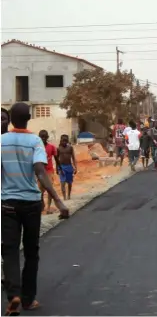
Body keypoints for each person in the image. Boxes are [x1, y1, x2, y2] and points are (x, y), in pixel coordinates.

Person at [2, 102, 69, 316]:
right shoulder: (35, 142)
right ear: (29, 117)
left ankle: (13, 295)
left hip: (7, 204)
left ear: (10, 118)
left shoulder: (1, 141)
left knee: (10, 251)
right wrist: (58, 201)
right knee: (31, 252)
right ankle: (28, 300)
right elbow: (40, 171)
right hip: (31, 203)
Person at [38, 130, 62, 214]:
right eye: (41, 137)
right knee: (39, 191)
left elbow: (56, 158)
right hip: (40, 171)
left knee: (49, 189)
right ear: (39, 137)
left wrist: (60, 168)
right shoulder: (37, 147)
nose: (43, 138)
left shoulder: (51, 147)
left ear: (47, 137)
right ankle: (42, 205)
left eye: (45, 136)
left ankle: (48, 207)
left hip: (49, 171)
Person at [57, 135, 77, 201]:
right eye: (63, 140)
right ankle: (64, 197)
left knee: (69, 182)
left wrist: (75, 167)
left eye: (66, 141)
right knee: (62, 183)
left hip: (69, 166)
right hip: (61, 167)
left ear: (68, 141)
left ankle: (69, 195)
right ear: (61, 141)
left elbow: (73, 158)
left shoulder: (70, 148)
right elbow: (57, 159)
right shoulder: (58, 148)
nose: (64, 142)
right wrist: (57, 168)